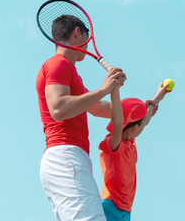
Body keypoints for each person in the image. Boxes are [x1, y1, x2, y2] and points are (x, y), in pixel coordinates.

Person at [36, 14, 126, 221]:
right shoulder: (58, 64)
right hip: (66, 155)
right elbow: (58, 108)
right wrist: (104, 89)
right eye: (87, 35)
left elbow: (97, 108)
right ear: (78, 32)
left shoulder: (69, 71)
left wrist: (139, 109)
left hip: (65, 158)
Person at [98, 80, 170, 221]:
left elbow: (145, 119)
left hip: (125, 208)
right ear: (134, 128)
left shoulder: (130, 139)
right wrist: (115, 89)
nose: (144, 125)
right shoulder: (114, 144)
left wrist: (159, 95)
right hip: (111, 205)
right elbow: (118, 123)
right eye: (141, 124)